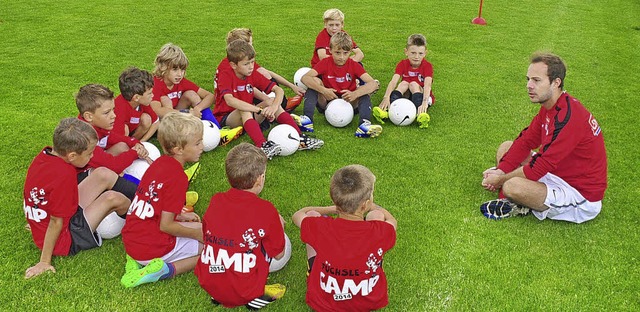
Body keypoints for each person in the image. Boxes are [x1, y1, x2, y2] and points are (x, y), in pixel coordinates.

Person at [480, 52, 607, 223]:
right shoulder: (550, 107)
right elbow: (526, 141)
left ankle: (518, 200)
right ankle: (518, 198)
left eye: (536, 80)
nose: (529, 86)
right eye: (528, 79)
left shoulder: (569, 118)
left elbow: (540, 166)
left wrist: (502, 180)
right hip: (556, 174)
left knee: (512, 185)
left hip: (580, 194)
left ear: (556, 82)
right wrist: (500, 170)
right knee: (507, 147)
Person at [23, 118, 131, 279]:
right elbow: (55, 221)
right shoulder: (64, 174)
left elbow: (36, 194)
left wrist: (36, 222)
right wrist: (44, 261)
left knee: (102, 173)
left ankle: (143, 200)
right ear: (72, 155)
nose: (93, 156)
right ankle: (141, 221)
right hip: (66, 238)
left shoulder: (44, 155)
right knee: (113, 198)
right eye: (89, 153)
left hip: (53, 222)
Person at [195, 143, 288, 309]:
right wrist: (279, 225)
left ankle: (221, 293)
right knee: (266, 241)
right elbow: (280, 254)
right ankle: (255, 296)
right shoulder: (266, 210)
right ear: (260, 179)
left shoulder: (216, 200)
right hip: (245, 289)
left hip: (208, 281)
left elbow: (206, 235)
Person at [292, 164, 397, 311]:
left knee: (311, 217)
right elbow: (392, 221)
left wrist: (334, 208)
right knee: (377, 216)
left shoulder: (321, 227)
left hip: (324, 301)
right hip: (368, 300)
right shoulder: (380, 231)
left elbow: (298, 214)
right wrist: (375, 208)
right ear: (365, 204)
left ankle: (313, 270)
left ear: (335, 199)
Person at [120, 112, 204, 288]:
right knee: (210, 248)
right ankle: (164, 270)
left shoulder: (158, 164)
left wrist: (182, 217)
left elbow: (155, 204)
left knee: (201, 227)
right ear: (178, 149)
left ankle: (137, 261)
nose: (202, 146)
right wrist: (196, 234)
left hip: (132, 240)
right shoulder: (178, 177)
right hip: (151, 247)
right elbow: (166, 226)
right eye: (197, 143)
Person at [213, 39, 323, 159]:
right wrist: (259, 110)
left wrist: (273, 106)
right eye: (246, 64)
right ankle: (262, 145)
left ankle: (300, 138)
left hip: (250, 117)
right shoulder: (226, 75)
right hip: (227, 119)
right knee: (244, 109)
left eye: (252, 62)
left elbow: (278, 90)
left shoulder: (252, 73)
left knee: (271, 101)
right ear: (233, 65)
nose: (251, 67)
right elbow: (230, 100)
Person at [150, 43, 242, 146]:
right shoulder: (156, 83)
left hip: (176, 117)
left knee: (191, 94)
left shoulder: (181, 81)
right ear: (163, 67)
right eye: (175, 69)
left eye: (183, 69)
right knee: (165, 99)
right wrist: (187, 113)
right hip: (160, 124)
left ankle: (218, 131)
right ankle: (179, 137)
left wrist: (198, 108)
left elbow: (210, 96)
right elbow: (157, 110)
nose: (180, 74)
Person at [299, 32, 382, 138]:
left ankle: (364, 126)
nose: (341, 57)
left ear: (350, 52)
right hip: (327, 101)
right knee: (314, 84)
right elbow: (305, 78)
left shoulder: (354, 65)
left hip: (349, 102)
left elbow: (373, 84)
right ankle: (306, 120)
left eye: (345, 53)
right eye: (337, 53)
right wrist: (324, 90)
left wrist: (355, 94)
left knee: (363, 92)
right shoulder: (325, 62)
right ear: (330, 50)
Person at [222, 28, 305, 112]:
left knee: (264, 74)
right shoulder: (232, 66)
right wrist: (268, 101)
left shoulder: (240, 61)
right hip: (235, 105)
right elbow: (248, 87)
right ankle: (282, 106)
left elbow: (267, 73)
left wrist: (292, 86)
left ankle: (281, 104)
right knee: (264, 75)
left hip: (240, 98)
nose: (252, 47)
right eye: (250, 44)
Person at [76, 83, 150, 175]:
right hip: (79, 179)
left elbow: (116, 138)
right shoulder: (83, 138)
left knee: (122, 146)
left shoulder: (94, 126)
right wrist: (134, 153)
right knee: (107, 174)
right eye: (107, 113)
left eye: (113, 110)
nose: (114, 116)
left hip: (93, 168)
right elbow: (114, 166)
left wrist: (136, 144)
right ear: (89, 116)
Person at [373, 34, 434, 129]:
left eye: (420, 53)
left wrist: (425, 101)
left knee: (413, 84)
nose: (416, 56)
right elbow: (393, 82)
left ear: (425, 53)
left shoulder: (427, 66)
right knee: (403, 83)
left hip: (422, 94)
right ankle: (386, 110)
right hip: (406, 95)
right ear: (406, 52)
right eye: (413, 53)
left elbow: (427, 84)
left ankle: (421, 115)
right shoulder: (402, 64)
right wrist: (386, 97)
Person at [113, 67, 159, 142]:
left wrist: (142, 142)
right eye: (149, 93)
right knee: (125, 129)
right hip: (117, 136)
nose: (153, 95)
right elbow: (115, 137)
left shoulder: (142, 102)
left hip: (132, 132)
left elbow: (156, 122)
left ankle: (135, 141)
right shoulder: (119, 108)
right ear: (136, 97)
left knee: (146, 119)